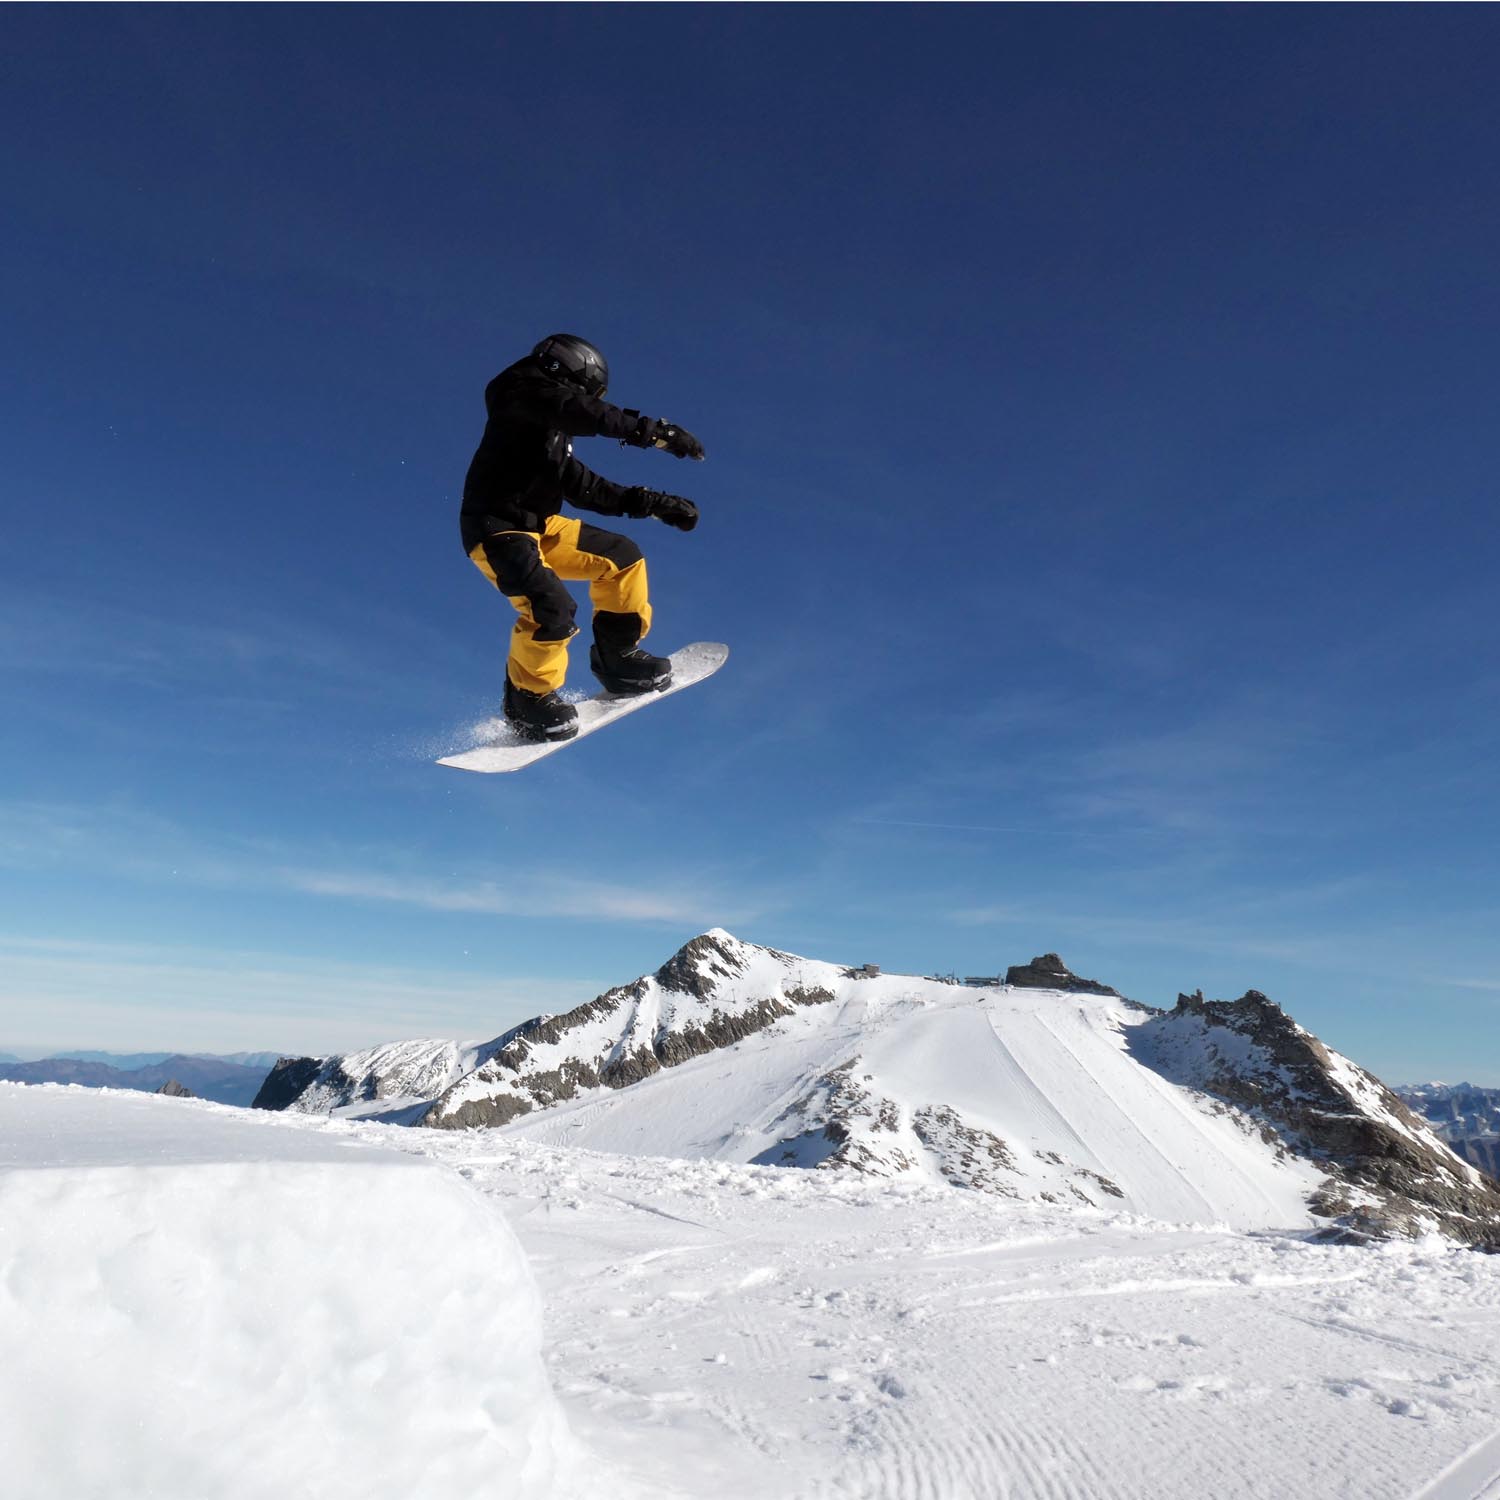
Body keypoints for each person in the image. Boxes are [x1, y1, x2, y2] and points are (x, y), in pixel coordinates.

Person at [460, 334, 705, 742]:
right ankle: (527, 700)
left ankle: (618, 660)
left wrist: (656, 503)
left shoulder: (548, 437)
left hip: (541, 526)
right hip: (497, 527)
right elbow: (578, 411)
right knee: (550, 606)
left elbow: (588, 488)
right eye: (591, 392)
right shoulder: (518, 392)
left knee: (622, 558)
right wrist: (655, 432)